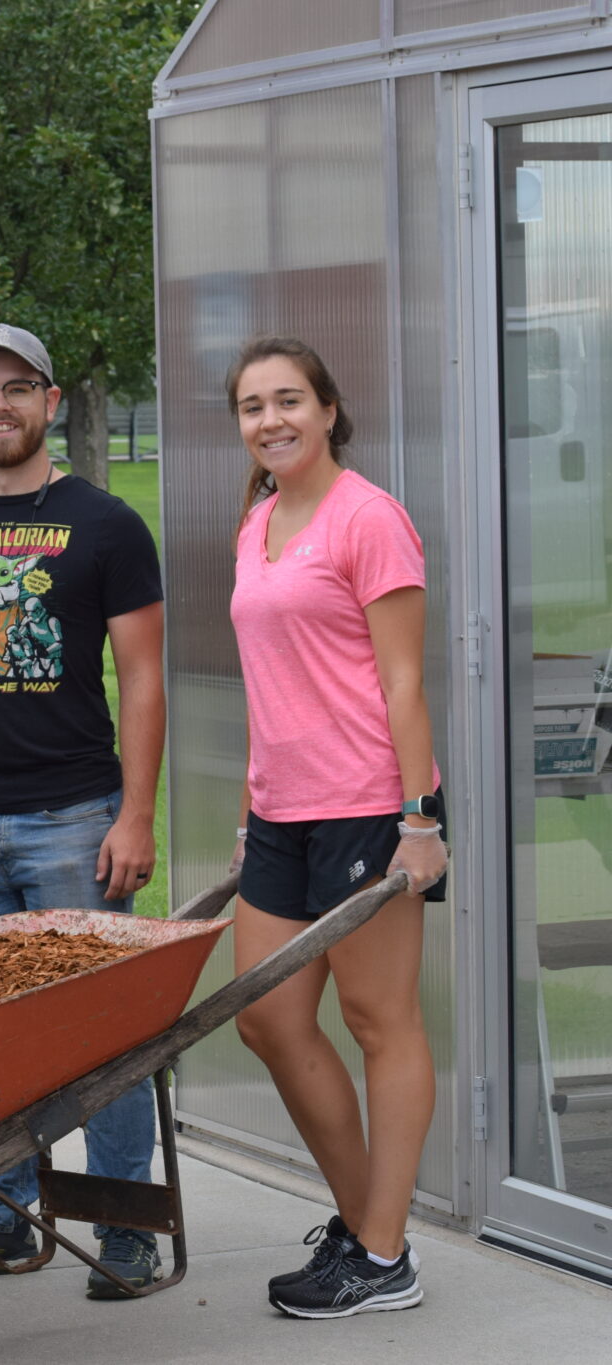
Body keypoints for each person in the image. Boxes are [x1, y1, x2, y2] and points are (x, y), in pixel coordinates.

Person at [0, 322, 167, 1298]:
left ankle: (120, 1224)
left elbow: (141, 678)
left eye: (16, 386)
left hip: (72, 819)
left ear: (50, 402)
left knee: (102, 1032)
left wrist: (132, 817)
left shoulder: (103, 524)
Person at [224, 336, 447, 1319]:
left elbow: (402, 679)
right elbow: (266, 684)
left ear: (324, 408)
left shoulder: (369, 519)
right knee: (265, 1017)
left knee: (377, 1022)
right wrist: (246, 807)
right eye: (249, 406)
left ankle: (381, 1253)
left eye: (286, 400)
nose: (269, 420)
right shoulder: (257, 521)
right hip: (279, 811)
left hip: (368, 804)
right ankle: (366, 1225)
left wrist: (418, 821)